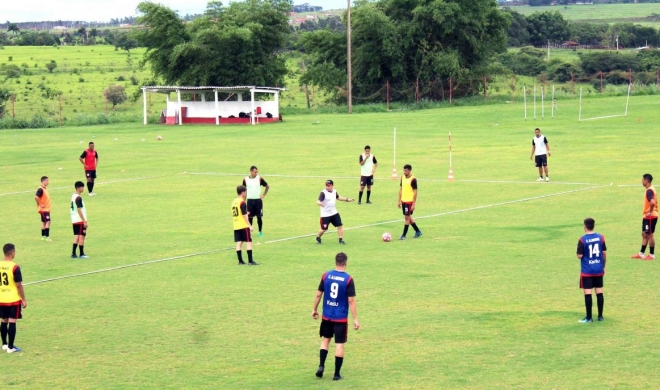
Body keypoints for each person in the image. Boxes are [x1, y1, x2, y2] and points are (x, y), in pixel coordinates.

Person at [312, 252, 359, 381]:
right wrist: (355, 319)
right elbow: (351, 301)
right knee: (339, 344)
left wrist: (314, 309)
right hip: (340, 318)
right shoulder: (348, 279)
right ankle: (336, 374)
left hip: (327, 316)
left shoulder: (326, 275)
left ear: (335, 262)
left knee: (325, 340)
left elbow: (318, 295)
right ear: (346, 263)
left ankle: (321, 366)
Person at [576, 218, 607, 323]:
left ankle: (589, 318)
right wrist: (603, 266)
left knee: (588, 293)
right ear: (593, 226)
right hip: (598, 268)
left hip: (587, 270)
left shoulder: (582, 240)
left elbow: (579, 256)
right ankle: (600, 316)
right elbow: (604, 253)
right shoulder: (601, 237)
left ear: (585, 226)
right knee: (599, 291)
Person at [1, 243, 27, 354]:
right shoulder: (15, 267)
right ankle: (11, 347)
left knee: (3, 321)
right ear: (12, 253)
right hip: (12, 299)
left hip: (1, 298)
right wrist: (23, 299)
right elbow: (18, 285)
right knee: (12, 321)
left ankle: (4, 344)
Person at [316, 180, 354, 245]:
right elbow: (318, 201)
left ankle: (341, 240)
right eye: (326, 186)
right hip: (325, 215)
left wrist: (347, 200)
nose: (327, 187)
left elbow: (338, 197)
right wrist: (320, 203)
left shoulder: (334, 191)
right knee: (323, 229)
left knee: (340, 225)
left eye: (329, 186)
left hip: (334, 213)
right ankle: (318, 237)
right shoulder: (323, 193)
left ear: (332, 186)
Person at [632, 173, 658, 260]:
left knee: (650, 235)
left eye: (643, 180)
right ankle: (641, 253)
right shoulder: (650, 189)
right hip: (647, 217)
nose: (642, 181)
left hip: (651, 216)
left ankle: (651, 255)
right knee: (644, 234)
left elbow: (653, 202)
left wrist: (650, 212)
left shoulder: (649, 191)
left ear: (646, 181)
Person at [232, 186, 258, 265]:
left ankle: (240, 261)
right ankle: (250, 261)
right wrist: (250, 225)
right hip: (243, 225)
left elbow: (238, 213)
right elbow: (244, 216)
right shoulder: (242, 202)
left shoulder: (234, 202)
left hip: (236, 225)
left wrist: (246, 213)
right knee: (248, 242)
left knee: (239, 243)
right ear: (243, 192)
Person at [242, 166, 270, 237]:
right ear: (251, 171)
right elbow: (244, 191)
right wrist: (244, 201)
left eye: (257, 172)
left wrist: (263, 195)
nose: (256, 173)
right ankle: (249, 233)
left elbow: (267, 186)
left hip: (258, 201)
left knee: (259, 217)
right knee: (250, 217)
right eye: (255, 172)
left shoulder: (259, 179)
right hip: (250, 201)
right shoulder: (245, 180)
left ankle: (260, 231)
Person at [397, 164, 422, 240]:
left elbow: (415, 192)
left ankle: (403, 235)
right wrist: (399, 200)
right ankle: (418, 231)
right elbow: (401, 189)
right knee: (408, 217)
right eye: (404, 170)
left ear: (410, 170)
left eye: (406, 170)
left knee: (407, 218)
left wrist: (414, 204)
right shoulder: (402, 177)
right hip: (403, 201)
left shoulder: (413, 179)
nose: (404, 172)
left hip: (409, 201)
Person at [70, 181, 89, 259]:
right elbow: (79, 209)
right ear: (79, 188)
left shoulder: (73, 196)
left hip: (74, 220)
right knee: (82, 236)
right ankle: (81, 253)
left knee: (77, 236)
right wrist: (84, 220)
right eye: (82, 187)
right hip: (79, 220)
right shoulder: (78, 198)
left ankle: (73, 253)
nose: (83, 188)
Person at [34, 176, 51, 242]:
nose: (48, 182)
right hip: (44, 209)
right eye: (47, 180)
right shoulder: (40, 189)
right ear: (43, 181)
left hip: (46, 209)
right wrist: (40, 204)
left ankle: (43, 236)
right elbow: (36, 197)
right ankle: (47, 237)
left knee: (43, 222)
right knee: (48, 222)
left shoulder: (44, 189)